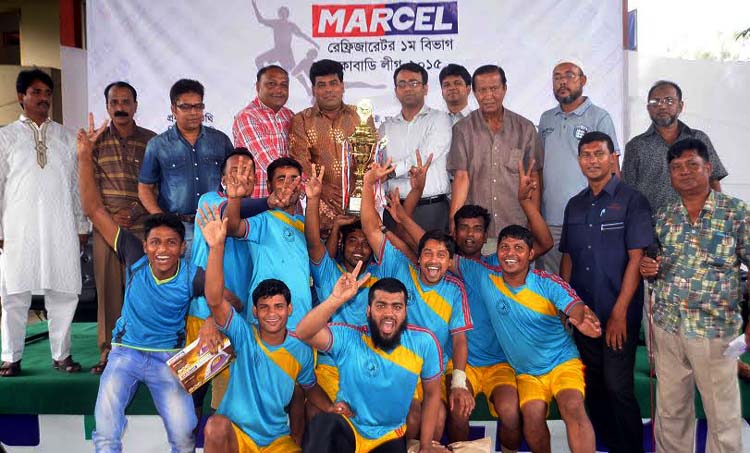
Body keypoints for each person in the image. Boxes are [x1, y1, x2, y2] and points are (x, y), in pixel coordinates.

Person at [77, 117, 237, 452]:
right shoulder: (134, 256)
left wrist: (211, 319)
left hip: (167, 358)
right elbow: (93, 208)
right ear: (145, 245)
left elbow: (230, 300)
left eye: (170, 244)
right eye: (155, 243)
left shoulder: (191, 274)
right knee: (106, 431)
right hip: (125, 354)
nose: (161, 250)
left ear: (182, 248)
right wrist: (84, 155)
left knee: (183, 435)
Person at [640, 138, 748, 453]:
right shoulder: (664, 214)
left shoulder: (735, 212)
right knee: (671, 412)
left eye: (692, 165)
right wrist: (650, 267)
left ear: (708, 168)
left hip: (716, 332)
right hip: (669, 328)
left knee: (722, 416)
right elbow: (656, 264)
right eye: (676, 168)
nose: (684, 172)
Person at [198, 203, 332, 453]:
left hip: (275, 441)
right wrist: (216, 247)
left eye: (279, 307)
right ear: (255, 311)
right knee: (215, 426)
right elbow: (215, 300)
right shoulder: (244, 334)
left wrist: (334, 409)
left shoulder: (300, 347)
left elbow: (311, 388)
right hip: (237, 435)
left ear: (290, 310)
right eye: (265, 308)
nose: (272, 314)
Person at [361, 160, 474, 442]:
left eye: (441, 256)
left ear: (449, 261)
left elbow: (459, 340)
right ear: (419, 256)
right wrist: (366, 184)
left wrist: (459, 382)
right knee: (410, 418)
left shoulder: (455, 289)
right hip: (400, 362)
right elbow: (371, 229)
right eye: (428, 254)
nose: (433, 261)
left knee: (440, 422)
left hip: (438, 367)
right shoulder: (400, 268)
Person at [559, 132, 652, 452]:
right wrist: (568, 307)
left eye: (599, 154)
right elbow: (568, 258)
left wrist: (619, 314)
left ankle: (629, 447)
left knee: (618, 386)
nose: (592, 160)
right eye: (586, 155)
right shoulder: (575, 204)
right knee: (594, 385)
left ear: (613, 158)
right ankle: (604, 444)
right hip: (584, 313)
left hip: (617, 312)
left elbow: (637, 259)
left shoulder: (632, 201)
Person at [0, 69, 89, 377]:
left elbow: (78, 185)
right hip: (17, 228)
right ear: (20, 97)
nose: (43, 99)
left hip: (60, 224)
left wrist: (81, 225)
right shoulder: (5, 136)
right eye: (36, 92)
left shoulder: (66, 137)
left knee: (64, 291)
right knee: (13, 293)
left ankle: (61, 355)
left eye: (47, 93)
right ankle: (11, 357)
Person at [297, 276, 445, 453]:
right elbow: (303, 332)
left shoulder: (424, 343)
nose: (389, 313)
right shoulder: (350, 337)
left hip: (389, 434)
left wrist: (426, 445)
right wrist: (335, 300)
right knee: (323, 424)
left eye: (397, 307)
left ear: (405, 312)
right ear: (368, 310)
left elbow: (432, 393)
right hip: (350, 426)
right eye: (381, 306)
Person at [89, 81, 156, 375]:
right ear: (107, 107)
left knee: (142, 289)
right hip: (106, 224)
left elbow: (158, 185)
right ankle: (108, 353)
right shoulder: (95, 142)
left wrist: (136, 210)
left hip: (143, 226)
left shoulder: (152, 141)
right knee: (108, 289)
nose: (120, 107)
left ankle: (144, 349)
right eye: (114, 102)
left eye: (126, 101)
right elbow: (87, 185)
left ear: (135, 106)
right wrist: (109, 216)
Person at [448, 64, 543, 253]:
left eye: (494, 89)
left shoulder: (525, 128)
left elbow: (534, 179)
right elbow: (461, 178)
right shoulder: (463, 129)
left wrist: (534, 222)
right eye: (482, 90)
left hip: (517, 229)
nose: (488, 95)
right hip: (478, 236)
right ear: (473, 93)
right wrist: (454, 221)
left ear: (505, 89)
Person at [538, 59, 621, 274]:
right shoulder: (546, 119)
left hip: (590, 217)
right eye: (557, 77)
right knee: (554, 281)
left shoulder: (599, 116)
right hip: (552, 219)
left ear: (583, 80)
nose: (562, 82)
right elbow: (539, 167)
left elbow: (613, 166)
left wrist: (613, 210)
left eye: (569, 76)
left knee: (590, 275)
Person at [138, 78, 233, 260]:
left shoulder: (220, 141)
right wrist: (162, 219)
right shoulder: (158, 145)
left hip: (216, 224)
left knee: (216, 282)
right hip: (178, 228)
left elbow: (233, 179)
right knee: (182, 284)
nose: (193, 112)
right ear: (173, 109)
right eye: (186, 107)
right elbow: (144, 188)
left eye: (198, 106)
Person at [289, 59, 374, 235]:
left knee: (361, 256)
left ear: (342, 86)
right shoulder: (301, 120)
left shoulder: (362, 116)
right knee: (324, 259)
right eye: (322, 85)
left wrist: (359, 189)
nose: (328, 90)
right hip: (321, 210)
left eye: (333, 83)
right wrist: (322, 188)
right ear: (313, 90)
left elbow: (371, 160)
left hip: (360, 207)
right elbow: (300, 161)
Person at [224, 156, 311, 328]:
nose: (288, 184)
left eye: (294, 178)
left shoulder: (306, 225)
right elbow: (232, 227)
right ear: (269, 185)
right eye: (281, 179)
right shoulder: (262, 219)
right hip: (265, 318)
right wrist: (233, 198)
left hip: (302, 321)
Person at [622, 80, 727, 214]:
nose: (662, 106)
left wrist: (718, 215)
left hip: (696, 224)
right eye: (655, 102)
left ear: (680, 106)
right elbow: (628, 191)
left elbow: (714, 180)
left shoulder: (699, 138)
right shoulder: (636, 146)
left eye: (669, 100)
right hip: (651, 227)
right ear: (648, 108)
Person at [380, 62, 452, 233]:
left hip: (431, 208)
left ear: (425, 88)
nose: (408, 89)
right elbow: (379, 165)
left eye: (414, 83)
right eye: (402, 84)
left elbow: (423, 159)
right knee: (395, 259)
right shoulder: (385, 127)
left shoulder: (439, 119)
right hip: (393, 209)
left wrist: (389, 173)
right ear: (396, 90)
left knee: (434, 259)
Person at [232, 65, 294, 198]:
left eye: (284, 85)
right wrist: (309, 185)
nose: (279, 90)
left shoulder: (289, 115)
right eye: (271, 84)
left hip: (289, 204)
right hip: (259, 205)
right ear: (258, 86)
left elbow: (298, 154)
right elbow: (272, 164)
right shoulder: (247, 117)